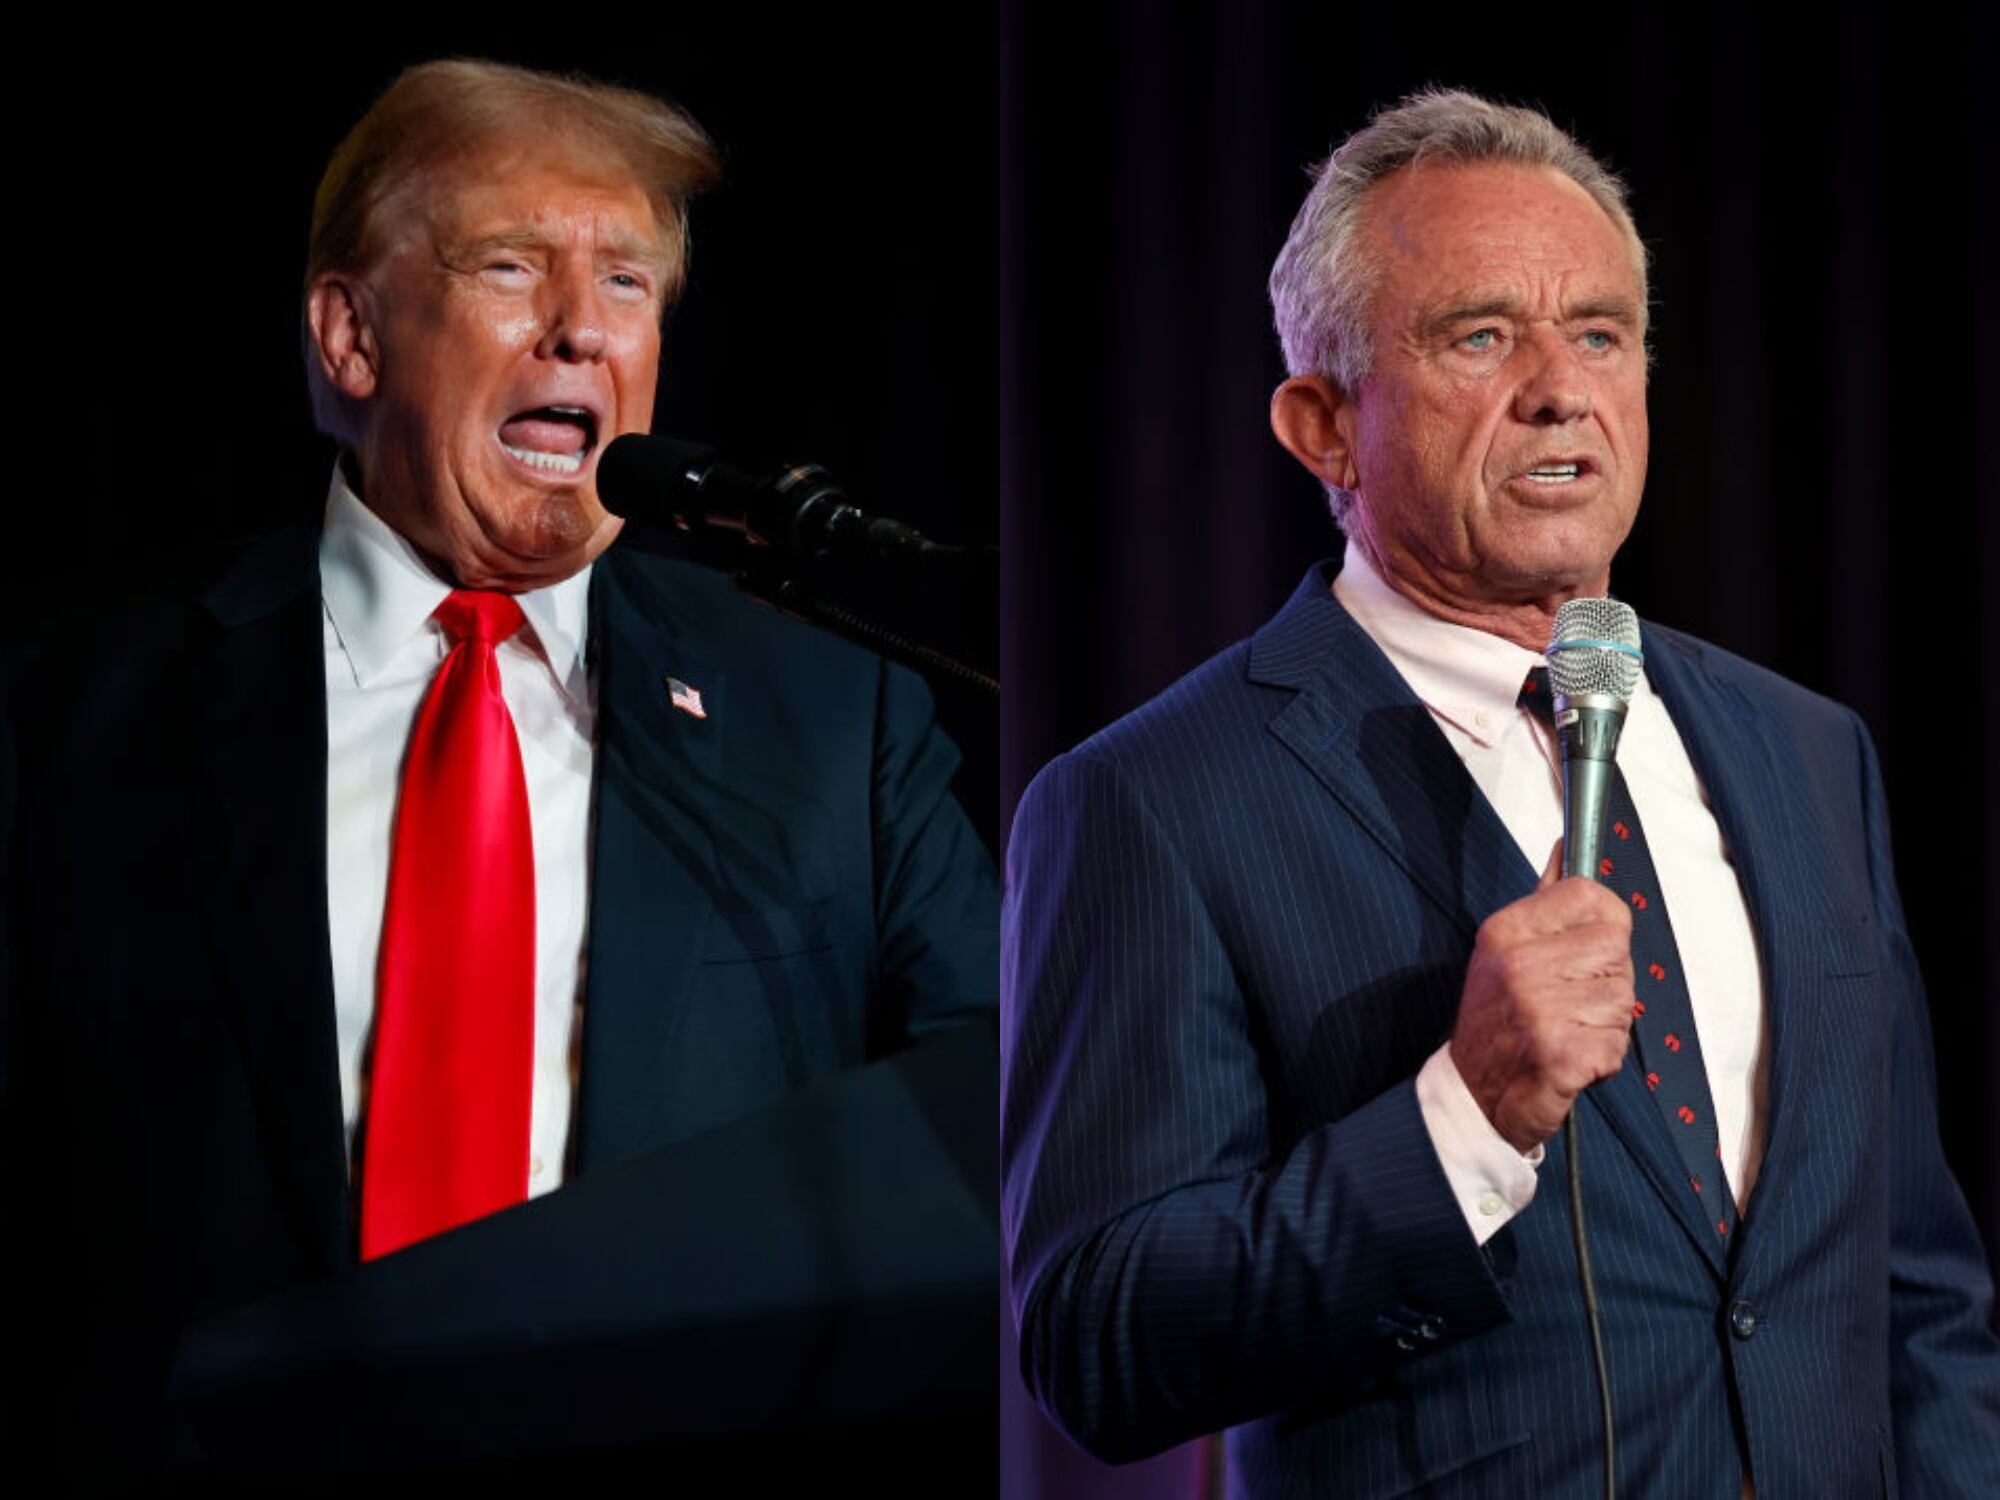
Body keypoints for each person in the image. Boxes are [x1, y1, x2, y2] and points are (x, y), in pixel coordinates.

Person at [1, 59, 997, 1490]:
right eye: (511, 267)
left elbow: (996, 1121)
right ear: (350, 335)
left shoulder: (831, 718)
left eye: (632, 285)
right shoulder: (70, 724)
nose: (583, 331)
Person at [1001, 88, 2000, 1495]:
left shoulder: (1808, 752)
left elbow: (1917, 1282)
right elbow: (1098, 1340)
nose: (1560, 386)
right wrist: (1463, 1116)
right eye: (1480, 335)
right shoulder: (1150, 801)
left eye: (1600, 333)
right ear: (1323, 426)